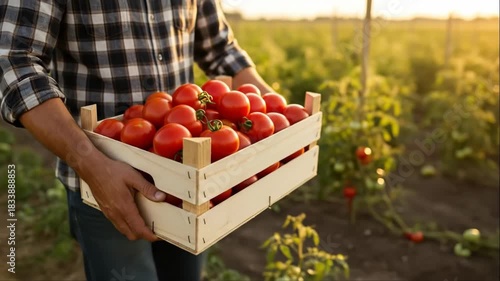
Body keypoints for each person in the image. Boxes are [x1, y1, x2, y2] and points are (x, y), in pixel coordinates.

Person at [0, 0, 273, 280]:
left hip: (186, 179)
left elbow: (221, 48)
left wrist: (274, 111)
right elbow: (15, 61)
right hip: (102, 177)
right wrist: (93, 166)